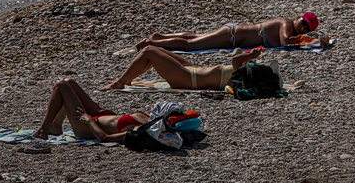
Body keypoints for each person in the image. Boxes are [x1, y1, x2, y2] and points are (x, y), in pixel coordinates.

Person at [33, 77, 149, 143]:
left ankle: (43, 131)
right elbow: (115, 122)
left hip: (87, 129)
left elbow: (104, 138)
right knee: (69, 82)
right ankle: (56, 126)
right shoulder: (152, 119)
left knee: (61, 85)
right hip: (96, 118)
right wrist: (110, 114)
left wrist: (89, 120)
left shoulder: (141, 131)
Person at [104, 45, 265, 91]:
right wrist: (249, 57)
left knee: (149, 51)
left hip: (188, 79)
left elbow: (236, 59)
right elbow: (237, 58)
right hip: (192, 71)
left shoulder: (241, 77)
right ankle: (128, 79)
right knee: (156, 49)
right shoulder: (244, 74)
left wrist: (252, 55)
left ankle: (120, 82)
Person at [136, 12, 319, 52]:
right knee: (191, 45)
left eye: (307, 28)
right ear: (298, 18)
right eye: (303, 23)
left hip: (233, 32)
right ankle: (151, 44)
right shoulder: (286, 24)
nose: (303, 28)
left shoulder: (288, 24)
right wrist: (306, 39)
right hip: (233, 35)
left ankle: (161, 37)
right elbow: (286, 41)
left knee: (195, 37)